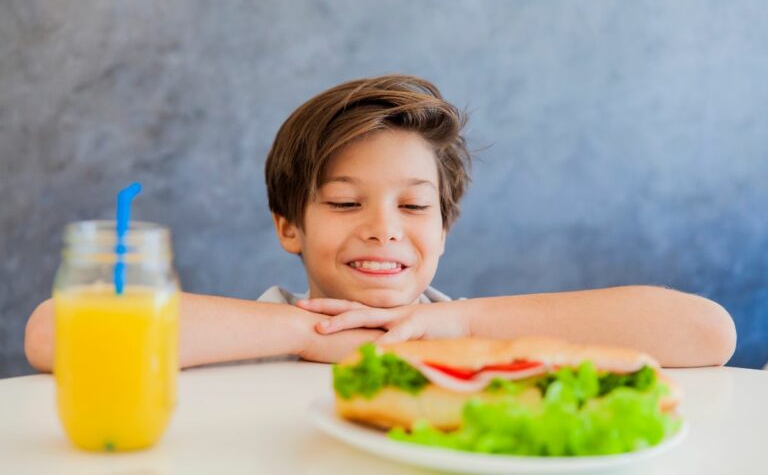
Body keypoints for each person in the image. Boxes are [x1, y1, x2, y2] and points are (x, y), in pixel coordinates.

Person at [24, 75, 737, 372]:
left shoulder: (470, 332)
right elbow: (55, 332)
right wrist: (312, 331)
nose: (383, 228)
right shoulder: (251, 336)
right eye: (343, 202)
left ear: (446, 224)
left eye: (413, 204)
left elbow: (708, 334)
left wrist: (453, 328)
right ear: (288, 227)